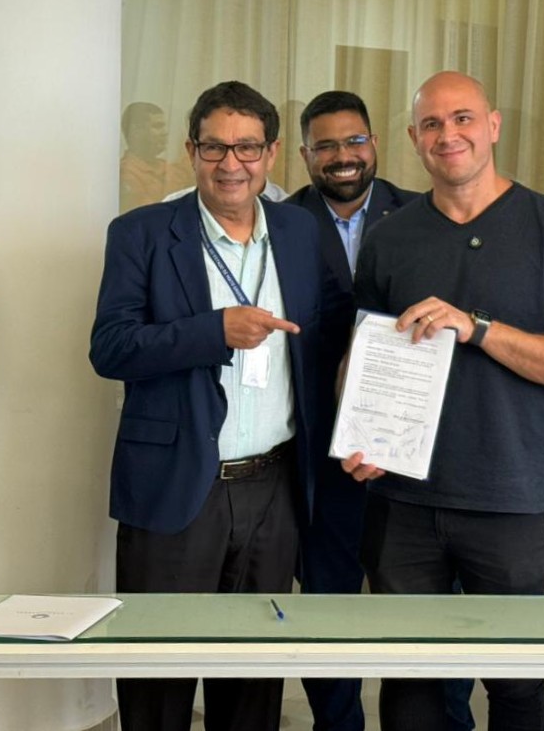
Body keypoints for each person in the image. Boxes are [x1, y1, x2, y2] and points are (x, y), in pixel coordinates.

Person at [343, 71, 544, 731]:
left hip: (506, 501)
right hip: (401, 501)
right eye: (431, 124)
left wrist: (478, 328)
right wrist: (359, 435)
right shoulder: (389, 237)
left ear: (492, 125)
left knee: (515, 686)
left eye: (462, 118)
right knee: (411, 685)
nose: (447, 135)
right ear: (414, 138)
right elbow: (361, 356)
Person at [90, 80, 348, 731]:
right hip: (177, 485)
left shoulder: (298, 231)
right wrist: (214, 331)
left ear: (272, 153)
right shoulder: (142, 233)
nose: (231, 164)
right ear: (191, 151)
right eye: (214, 147)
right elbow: (110, 348)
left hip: (274, 488)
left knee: (253, 679)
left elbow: (335, 333)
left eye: (247, 148)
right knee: (158, 678)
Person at [286, 89, 420, 731]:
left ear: (376, 143)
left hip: (409, 448)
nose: (343, 155)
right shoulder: (280, 223)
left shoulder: (423, 215)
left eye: (355, 141)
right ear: (306, 155)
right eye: (327, 146)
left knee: (417, 606)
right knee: (327, 605)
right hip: (317, 447)